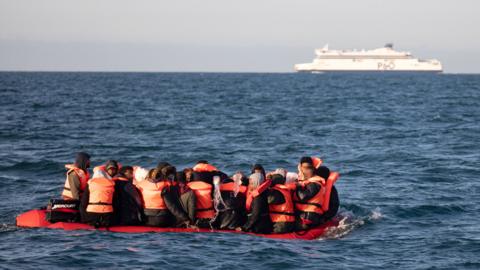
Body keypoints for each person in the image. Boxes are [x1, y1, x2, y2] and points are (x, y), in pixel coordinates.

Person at [294, 162, 340, 230]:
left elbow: (333, 206)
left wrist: (324, 218)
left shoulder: (330, 189)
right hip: (310, 214)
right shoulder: (313, 184)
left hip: (320, 217)